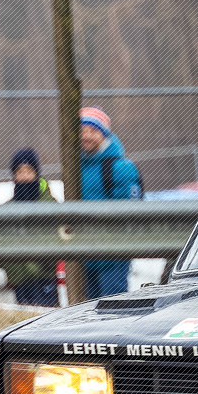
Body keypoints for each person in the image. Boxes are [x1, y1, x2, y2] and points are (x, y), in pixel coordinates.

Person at [79, 107, 142, 297]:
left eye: (93, 131)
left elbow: (130, 211)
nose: (86, 136)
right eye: (82, 131)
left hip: (112, 255)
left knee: (113, 305)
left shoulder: (119, 167)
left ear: (104, 134)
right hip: (85, 254)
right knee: (87, 308)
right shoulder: (76, 168)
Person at [0, 148, 60, 306]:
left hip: (45, 276)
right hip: (19, 280)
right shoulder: (8, 209)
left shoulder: (49, 204)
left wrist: (40, 263)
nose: (24, 176)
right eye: (20, 172)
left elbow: (57, 237)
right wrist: (10, 267)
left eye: (29, 171)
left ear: (36, 173)